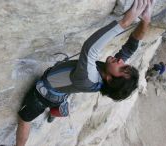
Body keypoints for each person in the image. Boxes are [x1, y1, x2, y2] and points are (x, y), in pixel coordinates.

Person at [16, 0, 154, 145]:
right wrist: (146, 21)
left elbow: (90, 49)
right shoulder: (109, 74)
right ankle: (55, 111)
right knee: (61, 96)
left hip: (44, 94)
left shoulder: (88, 78)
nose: (121, 62)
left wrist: (125, 22)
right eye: (124, 65)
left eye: (122, 68)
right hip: (62, 91)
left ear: (109, 79)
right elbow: (130, 48)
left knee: (24, 119)